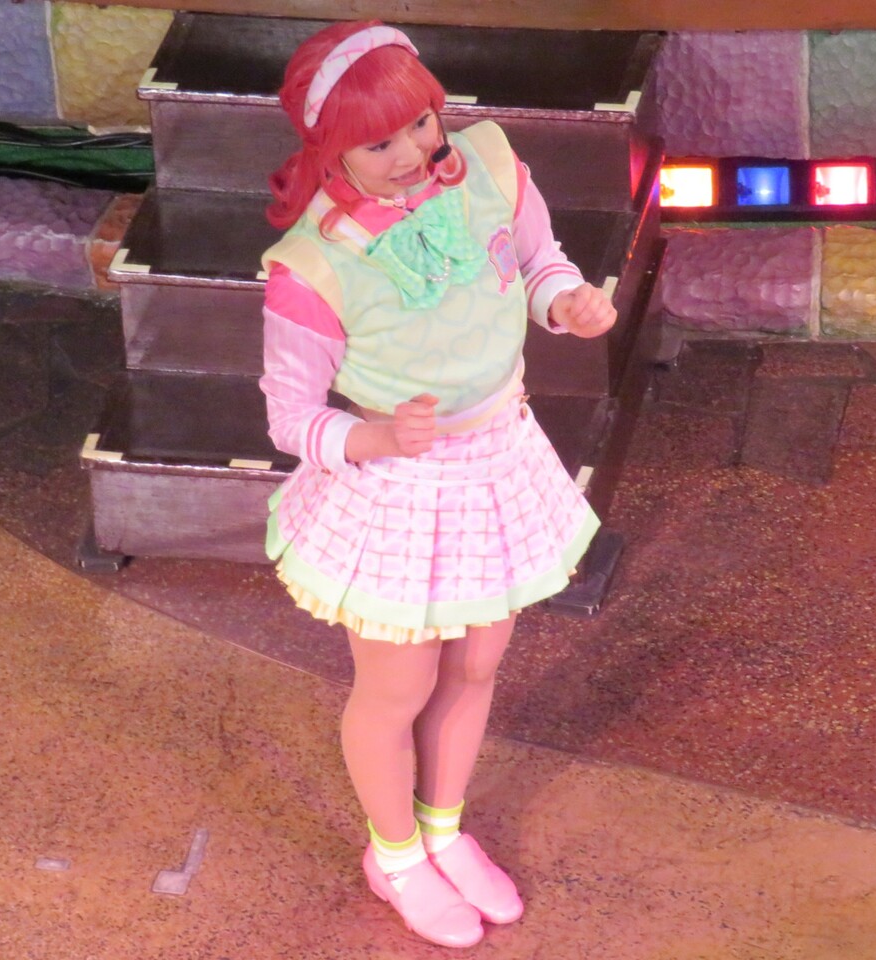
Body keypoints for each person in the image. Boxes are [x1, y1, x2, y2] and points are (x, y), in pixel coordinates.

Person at [259, 20, 616, 948]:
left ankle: (445, 830)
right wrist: (373, 435)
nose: (414, 153)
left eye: (421, 124)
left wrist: (567, 302)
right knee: (397, 687)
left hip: (498, 459)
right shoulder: (313, 265)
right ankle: (395, 855)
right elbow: (289, 416)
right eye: (379, 143)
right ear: (331, 148)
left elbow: (537, 263)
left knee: (478, 662)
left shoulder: (490, 167)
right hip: (398, 491)